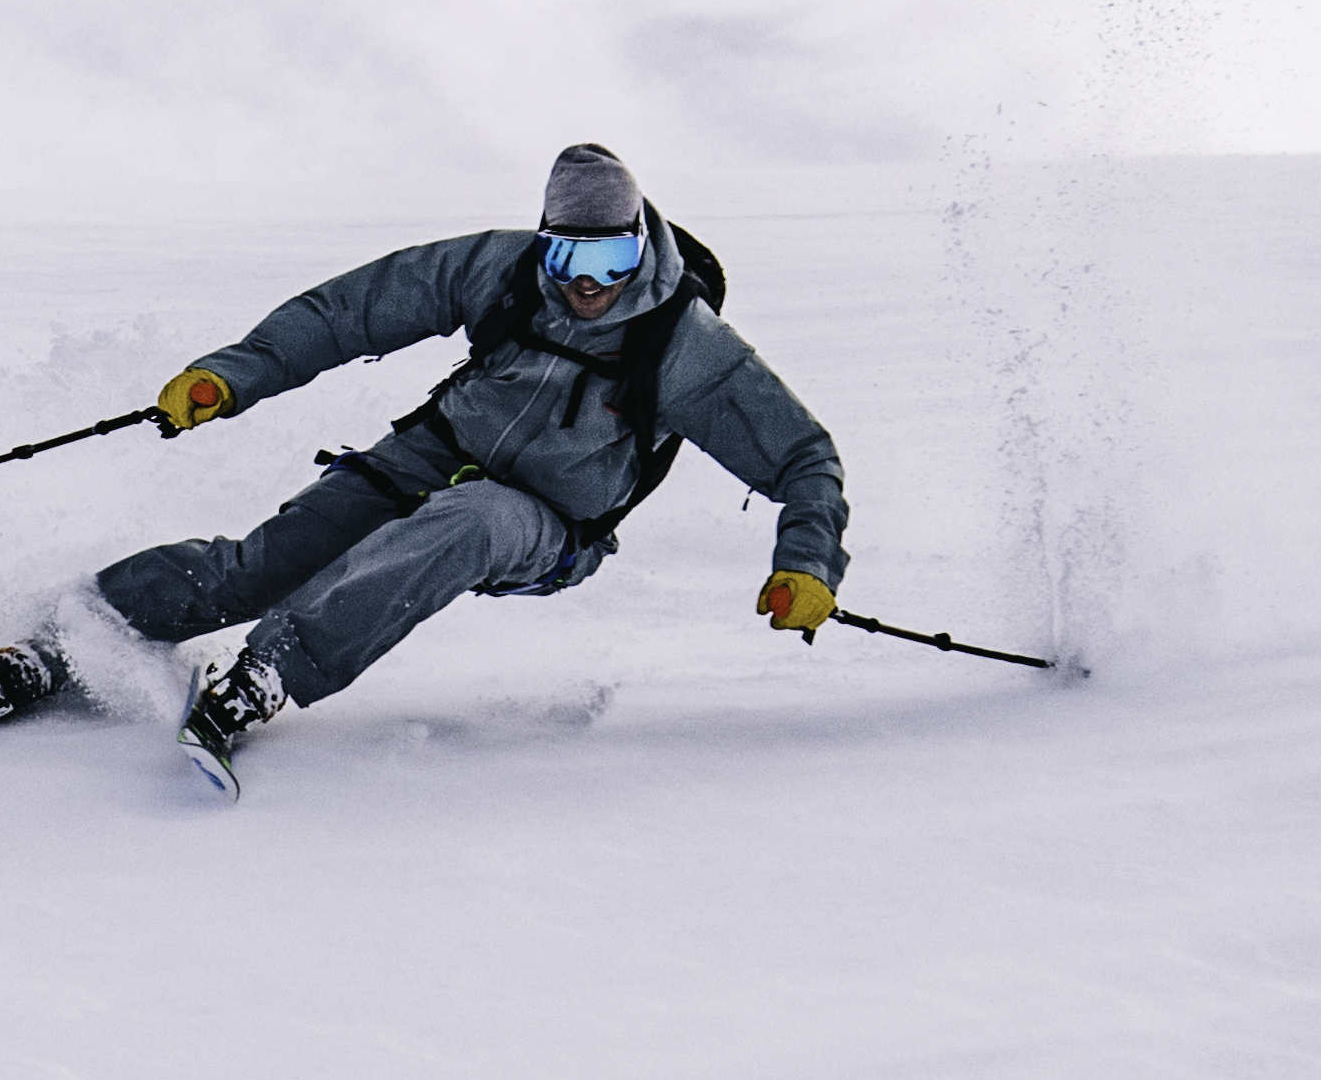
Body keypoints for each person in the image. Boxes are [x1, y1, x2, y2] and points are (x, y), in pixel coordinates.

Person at [84, 142, 845, 775]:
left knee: (470, 519)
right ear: (544, 238)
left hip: (547, 520)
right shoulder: (504, 270)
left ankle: (271, 672)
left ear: (641, 243)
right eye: (570, 254)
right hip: (432, 452)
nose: (588, 280)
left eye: (612, 258)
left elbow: (804, 460)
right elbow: (351, 310)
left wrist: (805, 565)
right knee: (263, 567)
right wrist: (231, 374)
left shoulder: (688, 346)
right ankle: (81, 626)